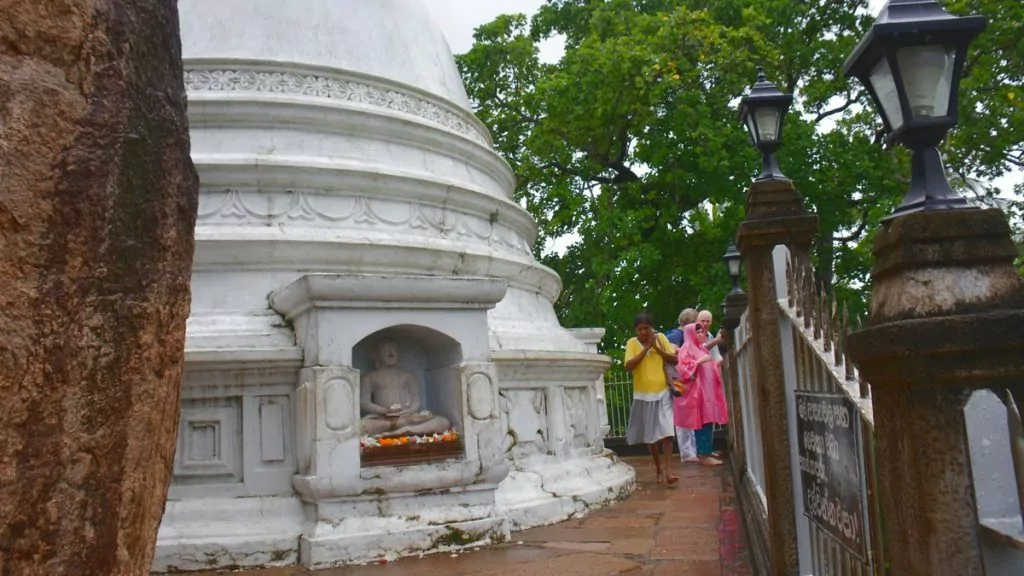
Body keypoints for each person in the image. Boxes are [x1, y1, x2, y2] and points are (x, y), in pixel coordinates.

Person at [624, 312, 678, 485]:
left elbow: (674, 359)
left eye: (646, 328)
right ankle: (658, 467)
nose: (644, 332)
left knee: (667, 431)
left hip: (663, 391)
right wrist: (646, 348)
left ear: (651, 327)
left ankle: (669, 471)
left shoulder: (660, 338)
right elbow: (629, 366)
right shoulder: (631, 344)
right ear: (636, 330)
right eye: (640, 329)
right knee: (651, 436)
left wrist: (657, 348)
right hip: (643, 395)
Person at [675, 323, 728, 466]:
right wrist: (699, 362)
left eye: (702, 332)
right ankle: (703, 455)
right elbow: (682, 370)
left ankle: (707, 451)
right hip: (698, 393)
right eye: (697, 332)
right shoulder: (686, 349)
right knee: (702, 423)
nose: (701, 334)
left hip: (708, 392)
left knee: (709, 421)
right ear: (690, 333)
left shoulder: (701, 348)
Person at [667, 308, 699, 463]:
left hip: (684, 379)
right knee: (682, 417)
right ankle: (687, 454)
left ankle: (691, 452)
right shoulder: (677, 335)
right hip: (679, 380)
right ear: (690, 321)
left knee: (688, 415)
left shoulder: (682, 335)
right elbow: (672, 353)